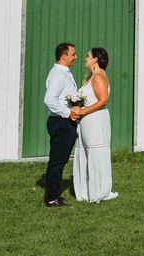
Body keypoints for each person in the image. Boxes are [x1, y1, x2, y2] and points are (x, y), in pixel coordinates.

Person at [71, 47, 118, 202]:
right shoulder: (92, 77)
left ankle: (98, 190)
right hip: (87, 120)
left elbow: (103, 100)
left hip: (95, 120)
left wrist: (83, 111)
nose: (85, 58)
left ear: (95, 59)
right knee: (85, 152)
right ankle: (87, 190)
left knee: (95, 152)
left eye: (87, 56)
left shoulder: (98, 77)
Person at [42, 42, 79, 207]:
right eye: (73, 54)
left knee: (60, 160)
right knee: (57, 160)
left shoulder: (64, 73)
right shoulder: (59, 75)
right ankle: (51, 197)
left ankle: (54, 194)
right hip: (60, 122)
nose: (75, 57)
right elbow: (49, 99)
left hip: (63, 122)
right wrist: (67, 113)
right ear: (64, 56)